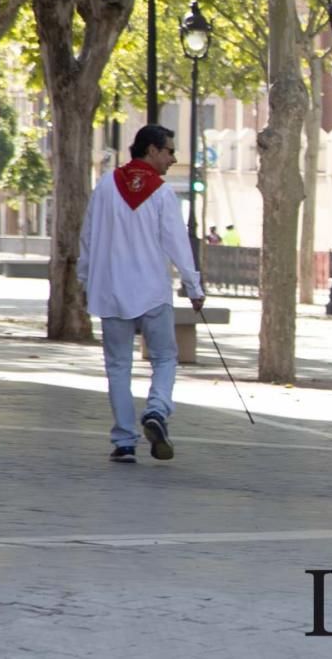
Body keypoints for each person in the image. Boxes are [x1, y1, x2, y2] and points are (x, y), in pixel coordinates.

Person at [78, 124, 205, 464]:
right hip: (151, 291)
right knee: (164, 357)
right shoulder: (162, 193)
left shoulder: (105, 185)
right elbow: (177, 243)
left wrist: (85, 278)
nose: (172, 158)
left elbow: (88, 237)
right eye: (168, 151)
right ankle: (157, 411)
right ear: (151, 150)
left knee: (118, 366)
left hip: (111, 290)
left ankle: (123, 441)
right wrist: (193, 287)